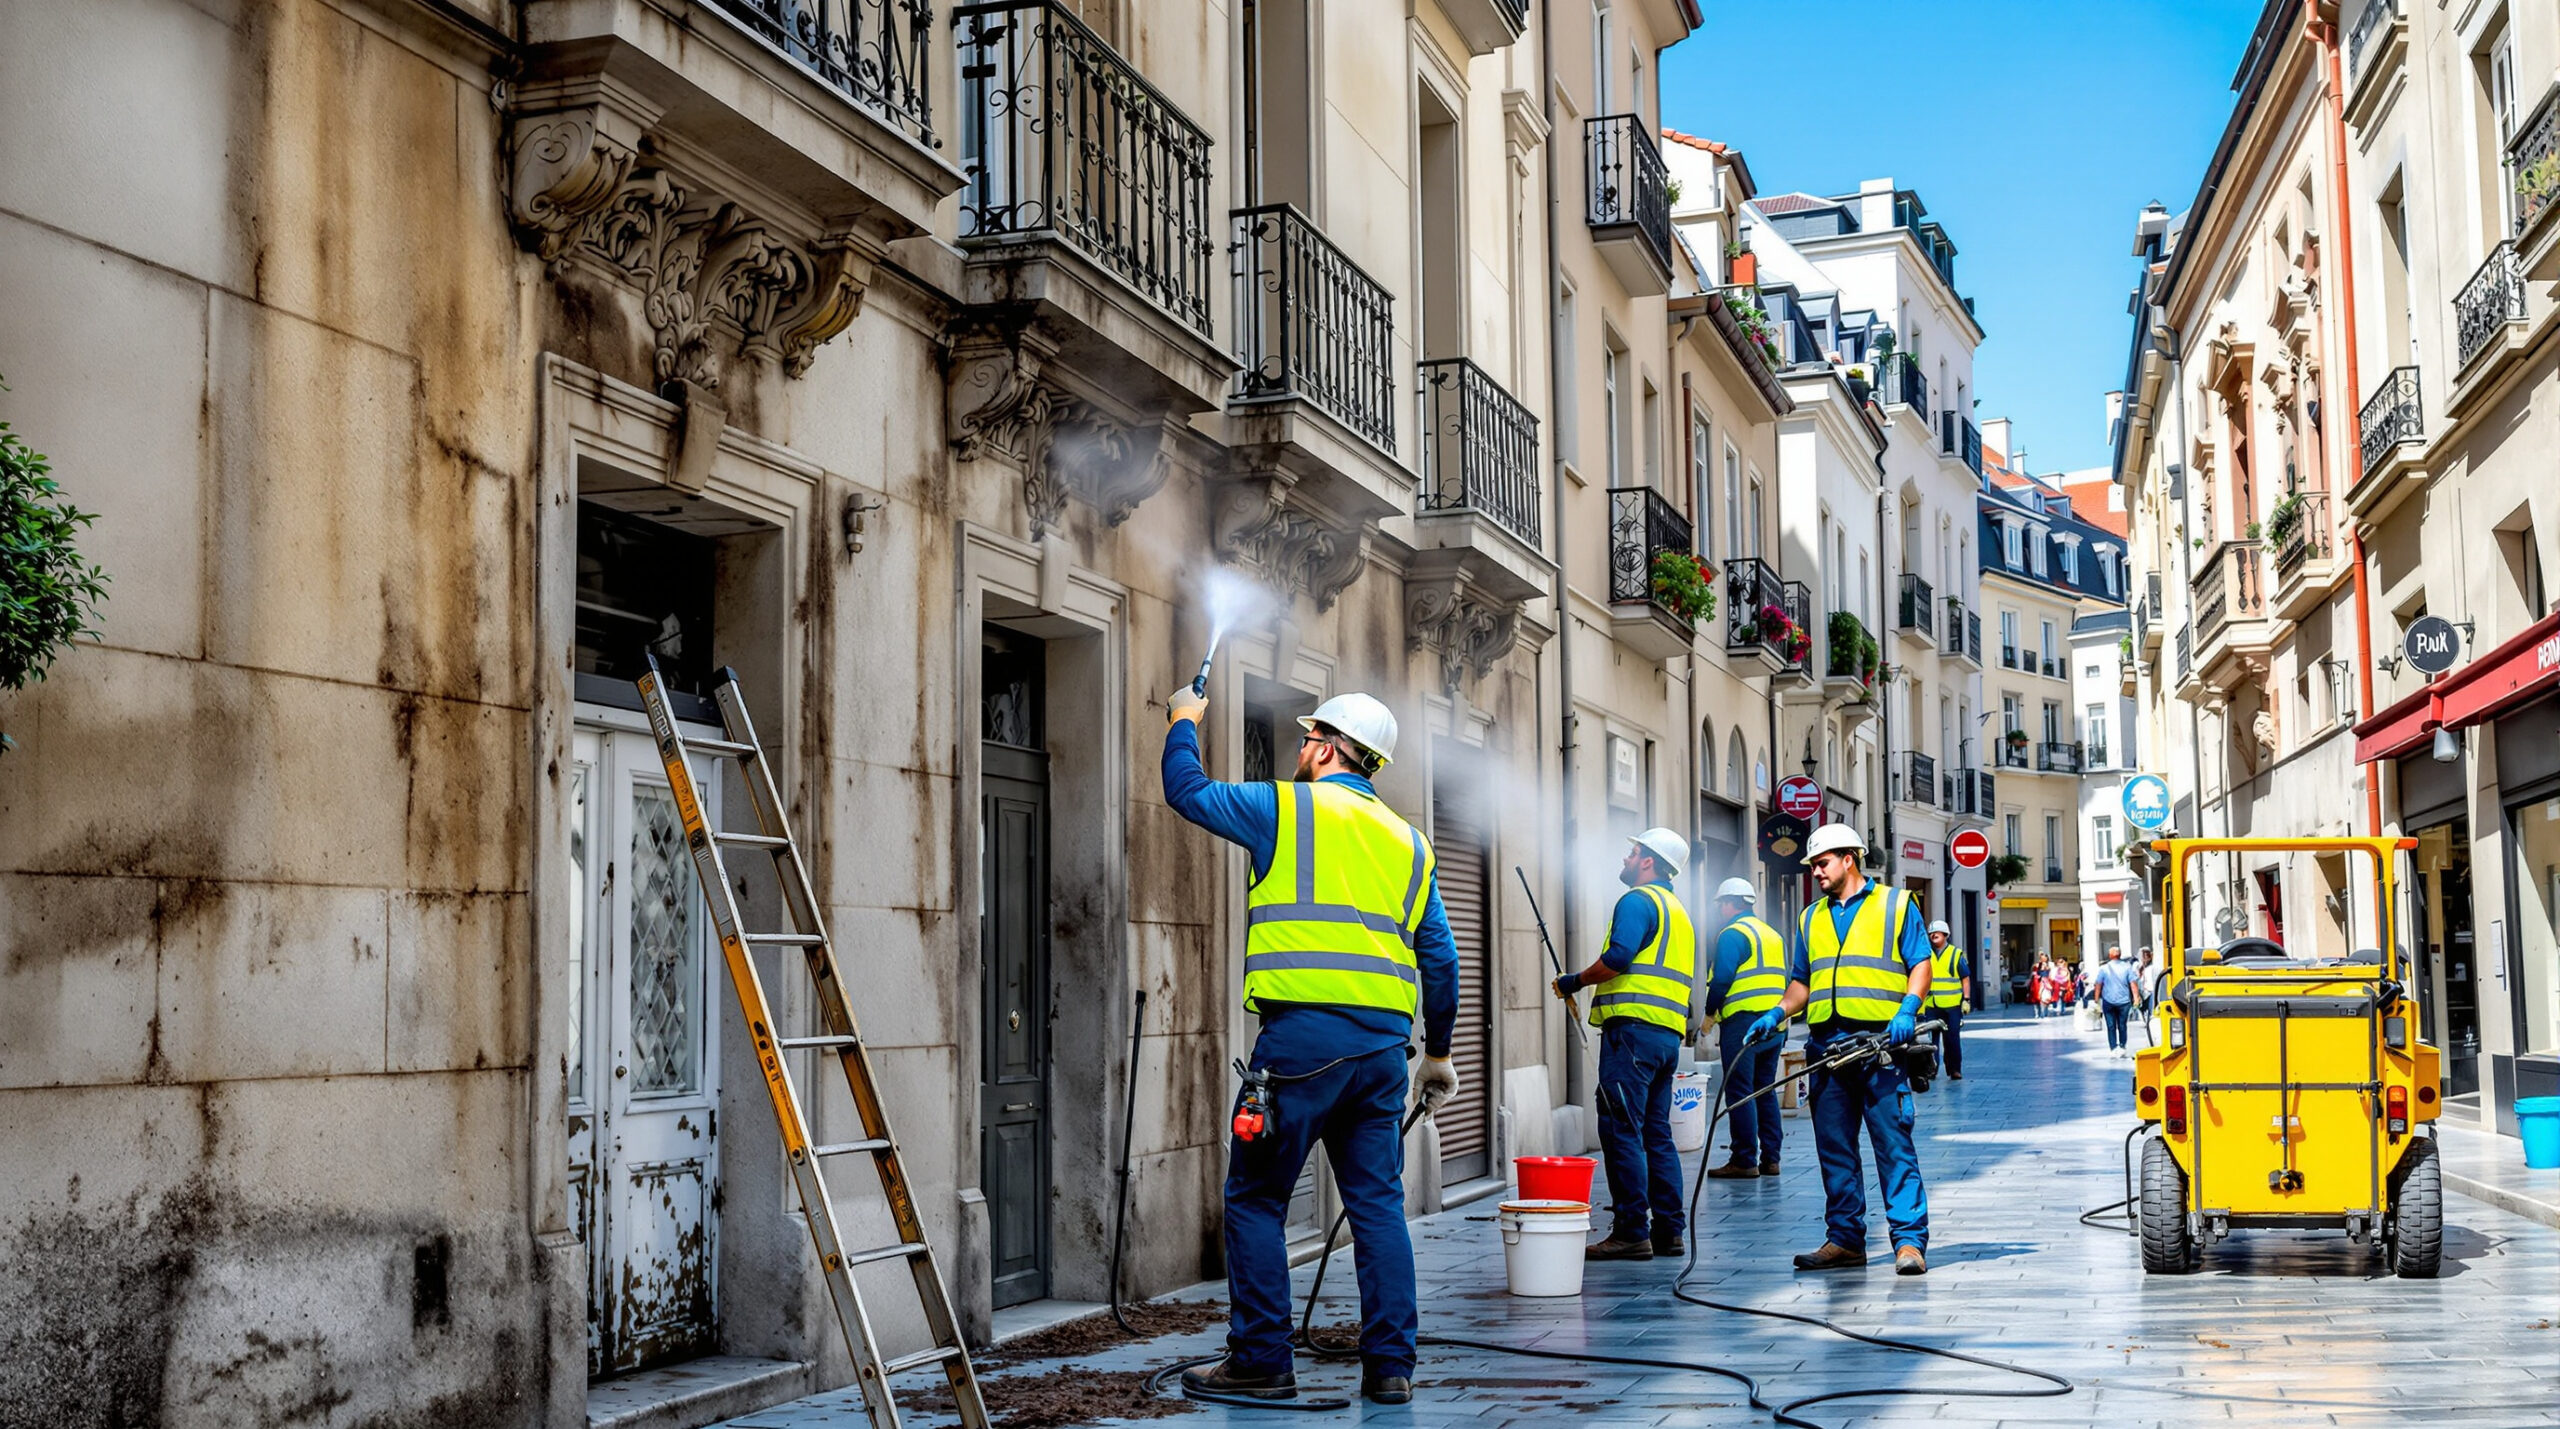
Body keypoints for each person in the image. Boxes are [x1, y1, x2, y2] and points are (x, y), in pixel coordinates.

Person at [1162, 685, 1458, 1405]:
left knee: (1256, 1197)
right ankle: (1391, 1367)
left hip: (1300, 1045)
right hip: (1384, 1052)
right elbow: (1441, 957)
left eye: (1307, 740)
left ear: (1329, 747)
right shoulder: (1410, 842)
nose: (1298, 751)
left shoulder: (1282, 808)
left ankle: (1262, 1359)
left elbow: (1186, 790)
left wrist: (1182, 720)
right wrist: (1438, 1054)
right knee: (1378, 1205)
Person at [1740, 824, 1934, 1276]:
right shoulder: (1811, 917)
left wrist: (1908, 1008)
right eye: (1812, 866)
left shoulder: (1895, 904)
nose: (1816, 872)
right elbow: (1802, 982)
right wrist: (1778, 1012)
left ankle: (1908, 1242)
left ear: (1850, 858)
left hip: (1881, 1046)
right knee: (1834, 1148)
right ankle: (1845, 1239)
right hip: (1826, 1048)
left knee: (1892, 1144)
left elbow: (1920, 963)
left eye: (1822, 863)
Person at [1553, 828, 1698, 1259]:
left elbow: (1618, 958)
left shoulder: (1637, 901)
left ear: (1648, 861)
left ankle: (1632, 1230)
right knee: (1656, 1134)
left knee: (1621, 1130)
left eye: (1632, 852)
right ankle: (1669, 1230)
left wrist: (1573, 981)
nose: (1626, 859)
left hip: (1631, 1035)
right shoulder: (1678, 912)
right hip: (1666, 1038)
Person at [1701, 876, 1789, 1179]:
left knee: (1740, 1091)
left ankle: (1744, 1160)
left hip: (1743, 1023)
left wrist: (1709, 1012)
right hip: (1775, 1023)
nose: (1719, 909)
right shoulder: (1772, 935)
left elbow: (1723, 978)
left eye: (1720, 904)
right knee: (1764, 1090)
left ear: (1730, 904)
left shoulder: (1732, 934)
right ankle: (1771, 1159)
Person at [1924, 920, 1968, 1080]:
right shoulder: (1926, 954)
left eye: (1937, 932)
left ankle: (1954, 1069)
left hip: (1952, 1005)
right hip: (1931, 1004)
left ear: (1945, 935)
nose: (1933, 935)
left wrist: (1966, 999)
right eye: (1931, 933)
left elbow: (1965, 978)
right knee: (1930, 1041)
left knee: (1952, 1039)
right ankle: (1931, 1069)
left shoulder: (1956, 954)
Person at [2092, 946, 2141, 1055]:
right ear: (2119, 955)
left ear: (2110, 956)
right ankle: (2122, 1046)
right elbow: (2133, 984)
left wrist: (2096, 999)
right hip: (2124, 1001)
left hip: (2108, 1001)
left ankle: (2113, 1047)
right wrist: (2136, 998)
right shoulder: (2127, 967)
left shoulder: (2104, 968)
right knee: (2122, 1025)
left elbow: (2098, 984)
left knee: (2111, 1026)